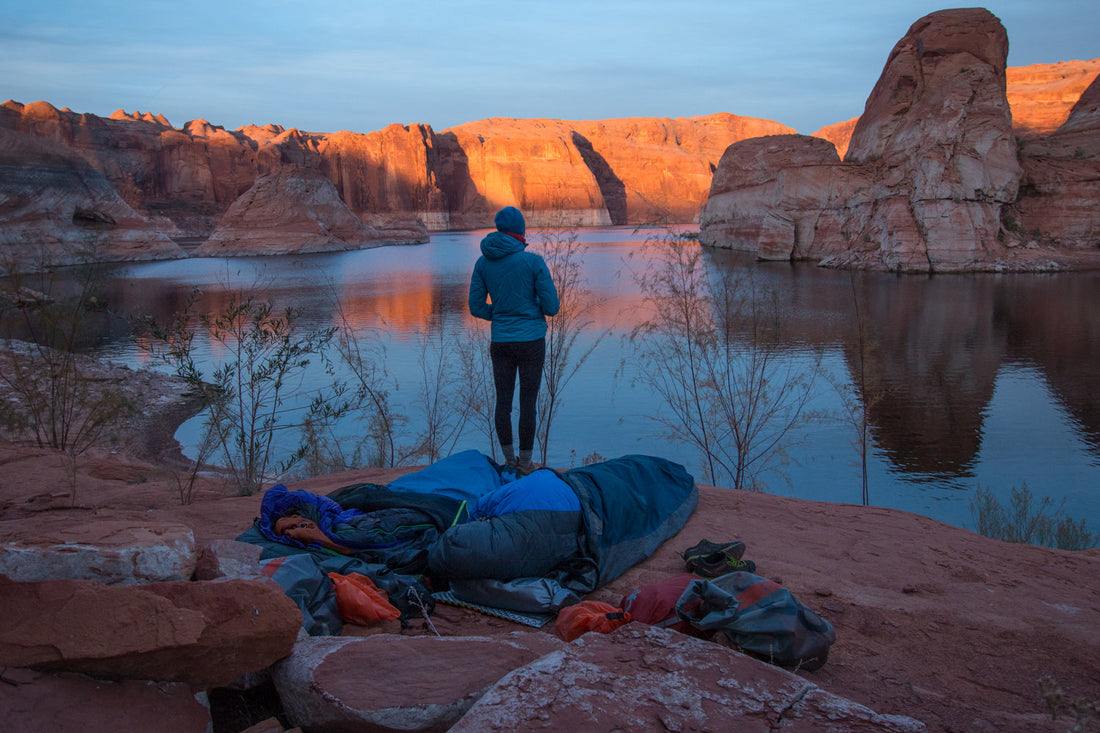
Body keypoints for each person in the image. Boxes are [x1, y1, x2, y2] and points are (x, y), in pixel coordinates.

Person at [469, 206, 560, 472]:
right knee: (527, 404)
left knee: (503, 403)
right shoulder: (533, 262)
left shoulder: (483, 263)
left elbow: (476, 307)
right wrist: (531, 310)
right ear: (520, 230)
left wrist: (498, 315)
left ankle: (509, 461)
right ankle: (526, 464)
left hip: (501, 342)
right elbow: (552, 308)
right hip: (532, 342)